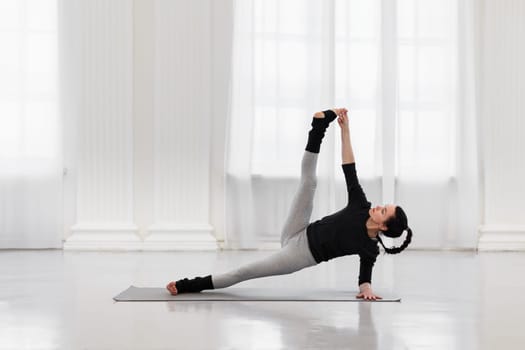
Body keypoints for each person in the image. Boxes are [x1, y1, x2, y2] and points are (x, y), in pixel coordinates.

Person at [166, 108, 412, 300]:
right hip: (299, 229)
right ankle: (318, 126)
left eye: (383, 211)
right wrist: (345, 130)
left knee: (243, 273)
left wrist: (366, 289)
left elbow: (364, 278)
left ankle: (188, 285)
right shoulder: (360, 204)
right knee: (309, 184)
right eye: (383, 205)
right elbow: (349, 166)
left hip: (298, 255)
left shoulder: (369, 248)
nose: (378, 206)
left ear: (383, 227)